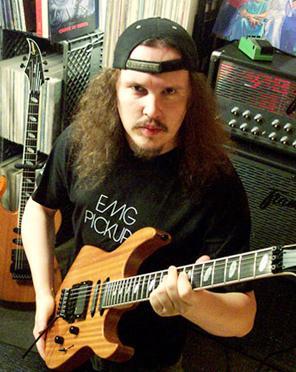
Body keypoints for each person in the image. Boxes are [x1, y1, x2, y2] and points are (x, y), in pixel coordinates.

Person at [22, 17, 257, 371]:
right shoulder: (82, 141)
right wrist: (44, 294)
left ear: (192, 98)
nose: (152, 110)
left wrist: (193, 304)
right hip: (69, 330)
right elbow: (39, 210)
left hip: (150, 360)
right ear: (113, 89)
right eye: (137, 89)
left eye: (170, 92)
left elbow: (243, 318)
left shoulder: (216, 183)